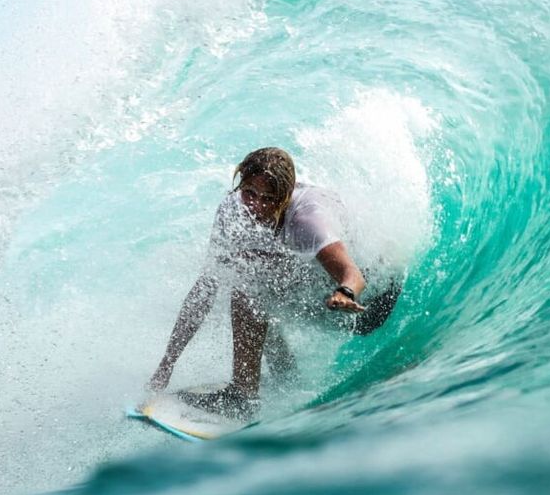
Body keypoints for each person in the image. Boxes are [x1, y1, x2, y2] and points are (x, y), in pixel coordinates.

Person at [147, 147, 400, 418]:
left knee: (248, 289)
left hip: (367, 306)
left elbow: (353, 274)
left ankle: (243, 397)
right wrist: (168, 362)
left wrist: (345, 292)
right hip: (319, 293)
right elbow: (205, 289)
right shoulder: (232, 211)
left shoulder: (307, 219)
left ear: (286, 196)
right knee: (247, 273)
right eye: (250, 193)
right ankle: (285, 376)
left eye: (268, 198)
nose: (256, 205)